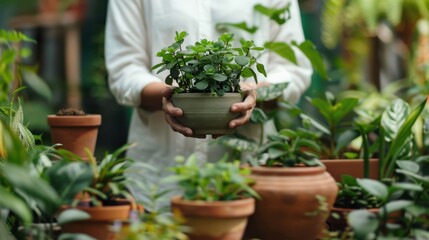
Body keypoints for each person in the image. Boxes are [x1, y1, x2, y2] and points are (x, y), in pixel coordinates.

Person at [104, 0, 312, 203]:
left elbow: (293, 70)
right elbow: (125, 69)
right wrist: (167, 94)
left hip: (247, 175)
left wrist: (255, 93)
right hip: (160, 181)